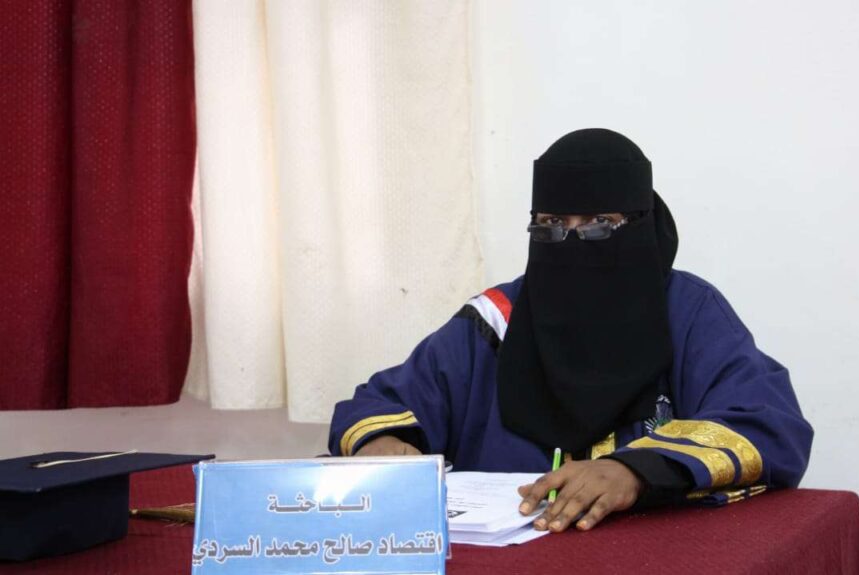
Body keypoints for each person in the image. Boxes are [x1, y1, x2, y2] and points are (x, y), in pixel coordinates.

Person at [328, 128, 813, 533]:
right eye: (552, 226)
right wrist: (383, 442)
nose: (574, 242)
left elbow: (766, 421)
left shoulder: (686, 310)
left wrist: (634, 470)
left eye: (600, 224)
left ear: (641, 226)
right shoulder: (497, 320)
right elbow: (384, 403)